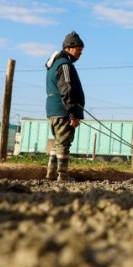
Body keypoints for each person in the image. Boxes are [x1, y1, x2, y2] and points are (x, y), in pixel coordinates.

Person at [45, 31, 86, 181]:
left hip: (53, 109)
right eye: (78, 50)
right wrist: (73, 113)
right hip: (62, 110)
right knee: (64, 143)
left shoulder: (54, 63)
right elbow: (67, 89)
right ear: (68, 48)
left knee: (58, 142)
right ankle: (62, 176)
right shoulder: (64, 65)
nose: (80, 53)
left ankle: (51, 174)